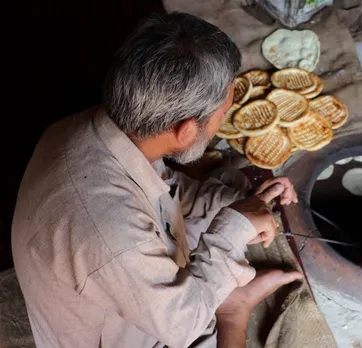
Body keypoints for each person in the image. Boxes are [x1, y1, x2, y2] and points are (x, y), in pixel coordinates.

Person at [11, 12, 302, 348]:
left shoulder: (102, 128)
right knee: (205, 307)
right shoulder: (113, 236)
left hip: (113, 261)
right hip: (116, 332)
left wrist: (242, 207)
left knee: (229, 186)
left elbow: (167, 193)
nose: (222, 123)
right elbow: (183, 325)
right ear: (184, 131)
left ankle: (224, 290)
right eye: (222, 115)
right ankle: (232, 311)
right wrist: (232, 230)